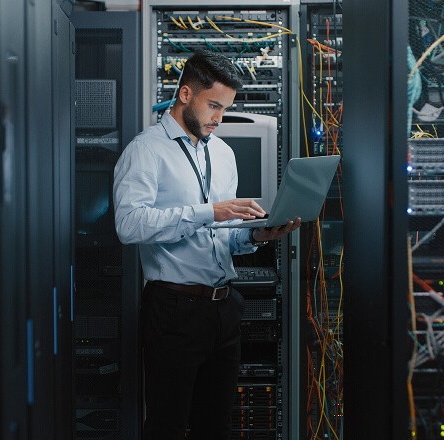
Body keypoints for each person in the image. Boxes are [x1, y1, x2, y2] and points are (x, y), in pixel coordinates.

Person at [113, 50, 301, 440]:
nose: (219, 118)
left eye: (226, 108)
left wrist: (255, 235)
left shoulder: (223, 153)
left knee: (216, 426)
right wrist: (208, 212)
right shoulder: (145, 151)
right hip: (173, 308)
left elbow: (222, 234)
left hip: (223, 307)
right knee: (166, 425)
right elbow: (129, 225)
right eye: (213, 105)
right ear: (185, 94)